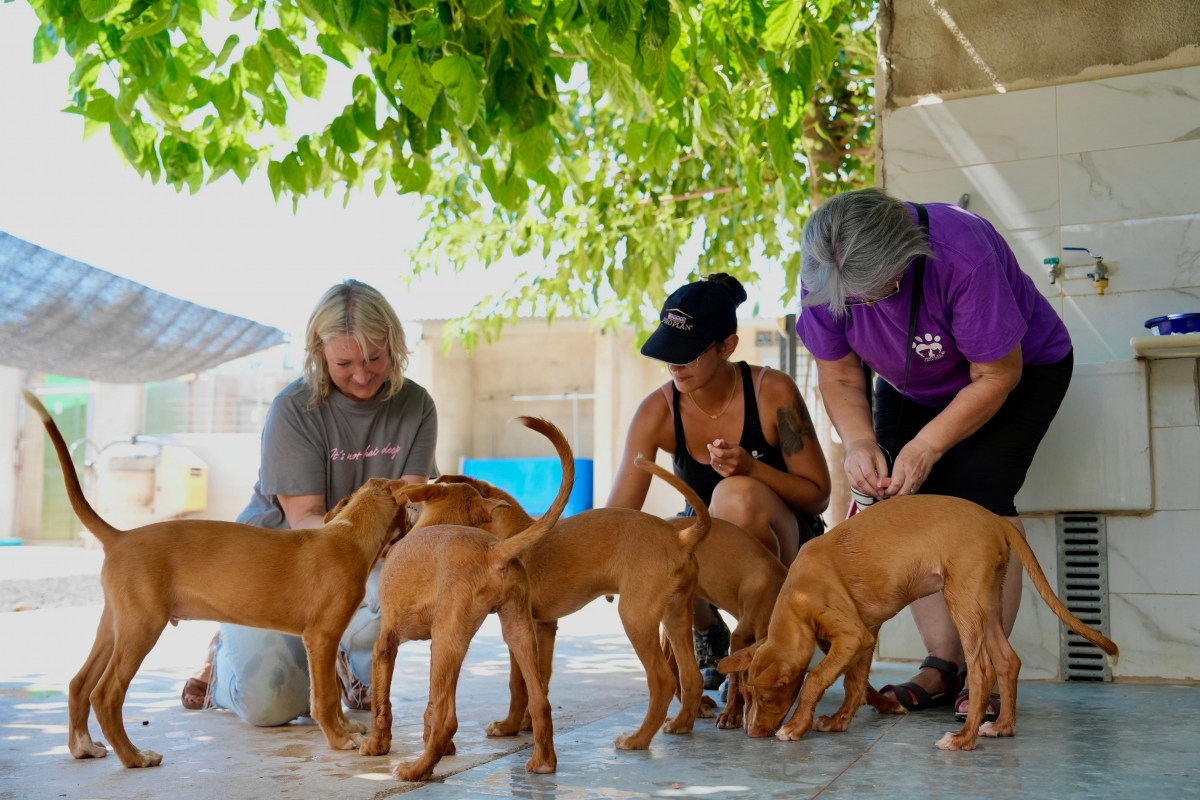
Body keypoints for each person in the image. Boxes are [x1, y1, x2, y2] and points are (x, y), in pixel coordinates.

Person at [797, 188, 1073, 720]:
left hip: (1017, 374)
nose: (866, 309)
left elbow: (997, 374)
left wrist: (925, 446)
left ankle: (984, 671)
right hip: (909, 386)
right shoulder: (822, 268)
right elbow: (837, 372)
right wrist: (859, 443)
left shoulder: (963, 253)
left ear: (908, 254)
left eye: (878, 294)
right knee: (904, 506)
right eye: (851, 302)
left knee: (979, 500)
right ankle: (942, 667)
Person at [180, 280, 438, 726]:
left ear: (394, 346)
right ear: (319, 354)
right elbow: (305, 521)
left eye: (375, 358)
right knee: (272, 705)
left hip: (364, 558)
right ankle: (224, 667)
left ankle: (351, 663)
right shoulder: (294, 408)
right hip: (281, 565)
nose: (362, 375)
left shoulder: (416, 405)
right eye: (344, 363)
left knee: (411, 572)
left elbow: (409, 510)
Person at [607, 274, 832, 687]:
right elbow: (618, 515)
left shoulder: (771, 392)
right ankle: (709, 633)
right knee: (660, 540)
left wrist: (754, 469)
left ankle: (767, 643)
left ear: (726, 346)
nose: (673, 364)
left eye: (687, 354)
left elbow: (818, 496)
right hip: (711, 545)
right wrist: (599, 563)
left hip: (789, 546)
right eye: (667, 352)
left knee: (737, 495)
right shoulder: (657, 411)